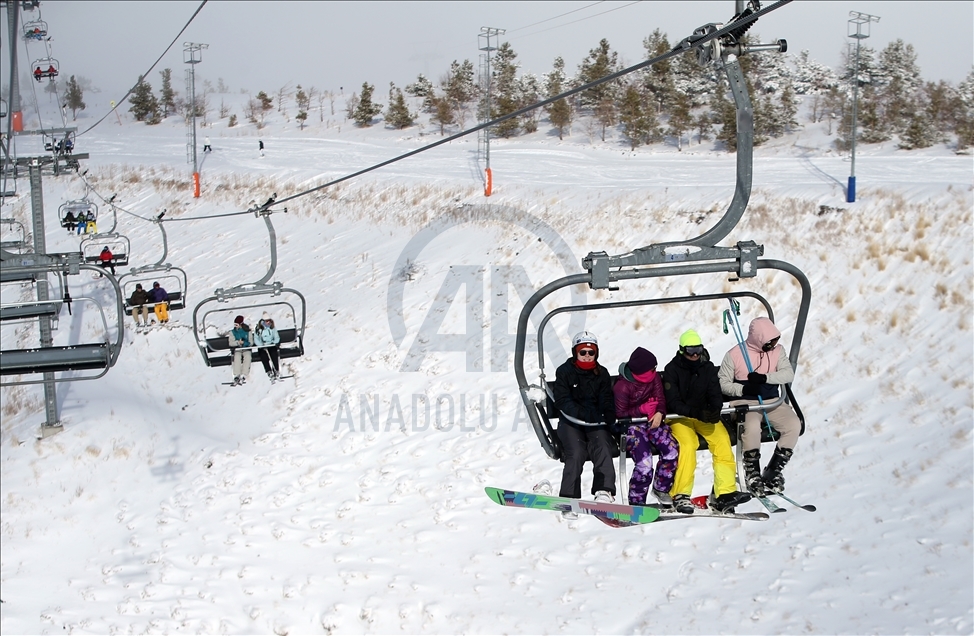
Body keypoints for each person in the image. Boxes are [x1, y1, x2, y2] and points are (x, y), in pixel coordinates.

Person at [663, 329, 752, 514]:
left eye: (698, 349)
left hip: (702, 415)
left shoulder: (708, 367)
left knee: (722, 441)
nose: (695, 354)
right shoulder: (672, 370)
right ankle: (680, 494)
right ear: (681, 350)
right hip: (680, 417)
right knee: (688, 445)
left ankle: (725, 493)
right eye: (690, 350)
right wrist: (696, 412)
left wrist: (715, 409)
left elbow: (715, 392)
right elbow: (673, 402)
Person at [718, 317, 802, 496]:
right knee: (752, 427)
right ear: (759, 338)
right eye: (769, 342)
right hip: (745, 403)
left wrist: (766, 378)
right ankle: (752, 471)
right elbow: (723, 383)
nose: (772, 345)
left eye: (774, 341)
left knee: (793, 425)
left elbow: (788, 374)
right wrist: (743, 388)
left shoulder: (778, 352)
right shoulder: (734, 354)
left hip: (772, 400)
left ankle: (773, 471)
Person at [551, 331, 617, 516]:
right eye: (583, 352)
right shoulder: (565, 372)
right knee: (576, 451)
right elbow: (562, 400)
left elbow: (605, 397)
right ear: (575, 353)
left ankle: (604, 490)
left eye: (591, 352)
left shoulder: (601, 373)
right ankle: (569, 498)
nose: (587, 356)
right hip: (571, 421)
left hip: (594, 420)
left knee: (603, 445)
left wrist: (608, 412)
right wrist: (582, 413)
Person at [613, 346, 679, 507]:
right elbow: (619, 414)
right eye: (651, 368)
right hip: (631, 426)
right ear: (641, 371)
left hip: (652, 422)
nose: (655, 371)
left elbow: (661, 398)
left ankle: (661, 488)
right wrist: (641, 410)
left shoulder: (654, 378)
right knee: (645, 462)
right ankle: (636, 499)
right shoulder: (622, 386)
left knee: (672, 450)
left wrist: (659, 412)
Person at [228, 315, 253, 386]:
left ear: (241, 324)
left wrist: (244, 343)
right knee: (237, 357)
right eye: (234, 324)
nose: (235, 326)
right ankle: (237, 375)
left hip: (246, 348)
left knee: (248, 356)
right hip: (238, 348)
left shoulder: (247, 331)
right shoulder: (232, 332)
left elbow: (251, 342)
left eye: (237, 324)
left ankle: (244, 375)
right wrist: (237, 343)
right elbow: (231, 343)